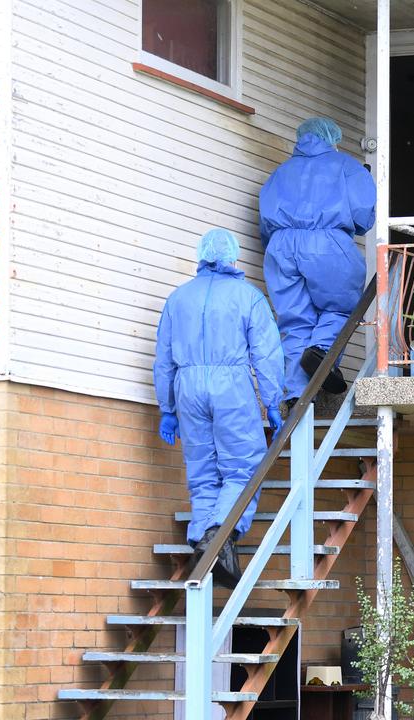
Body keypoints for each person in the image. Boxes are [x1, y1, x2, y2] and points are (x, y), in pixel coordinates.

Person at [153, 229, 285, 587]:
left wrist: (167, 407)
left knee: (202, 471)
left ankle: (202, 538)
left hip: (187, 388)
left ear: (201, 256)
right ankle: (220, 533)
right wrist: (273, 402)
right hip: (231, 387)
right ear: (233, 257)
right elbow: (267, 354)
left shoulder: (177, 300)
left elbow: (163, 358)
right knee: (243, 467)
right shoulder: (248, 298)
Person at [258, 116, 375, 408]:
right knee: (339, 307)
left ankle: (298, 393)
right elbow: (363, 217)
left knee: (295, 320)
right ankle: (321, 352)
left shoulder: (279, 173)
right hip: (327, 243)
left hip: (280, 246)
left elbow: (265, 222)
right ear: (331, 139)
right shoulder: (346, 167)